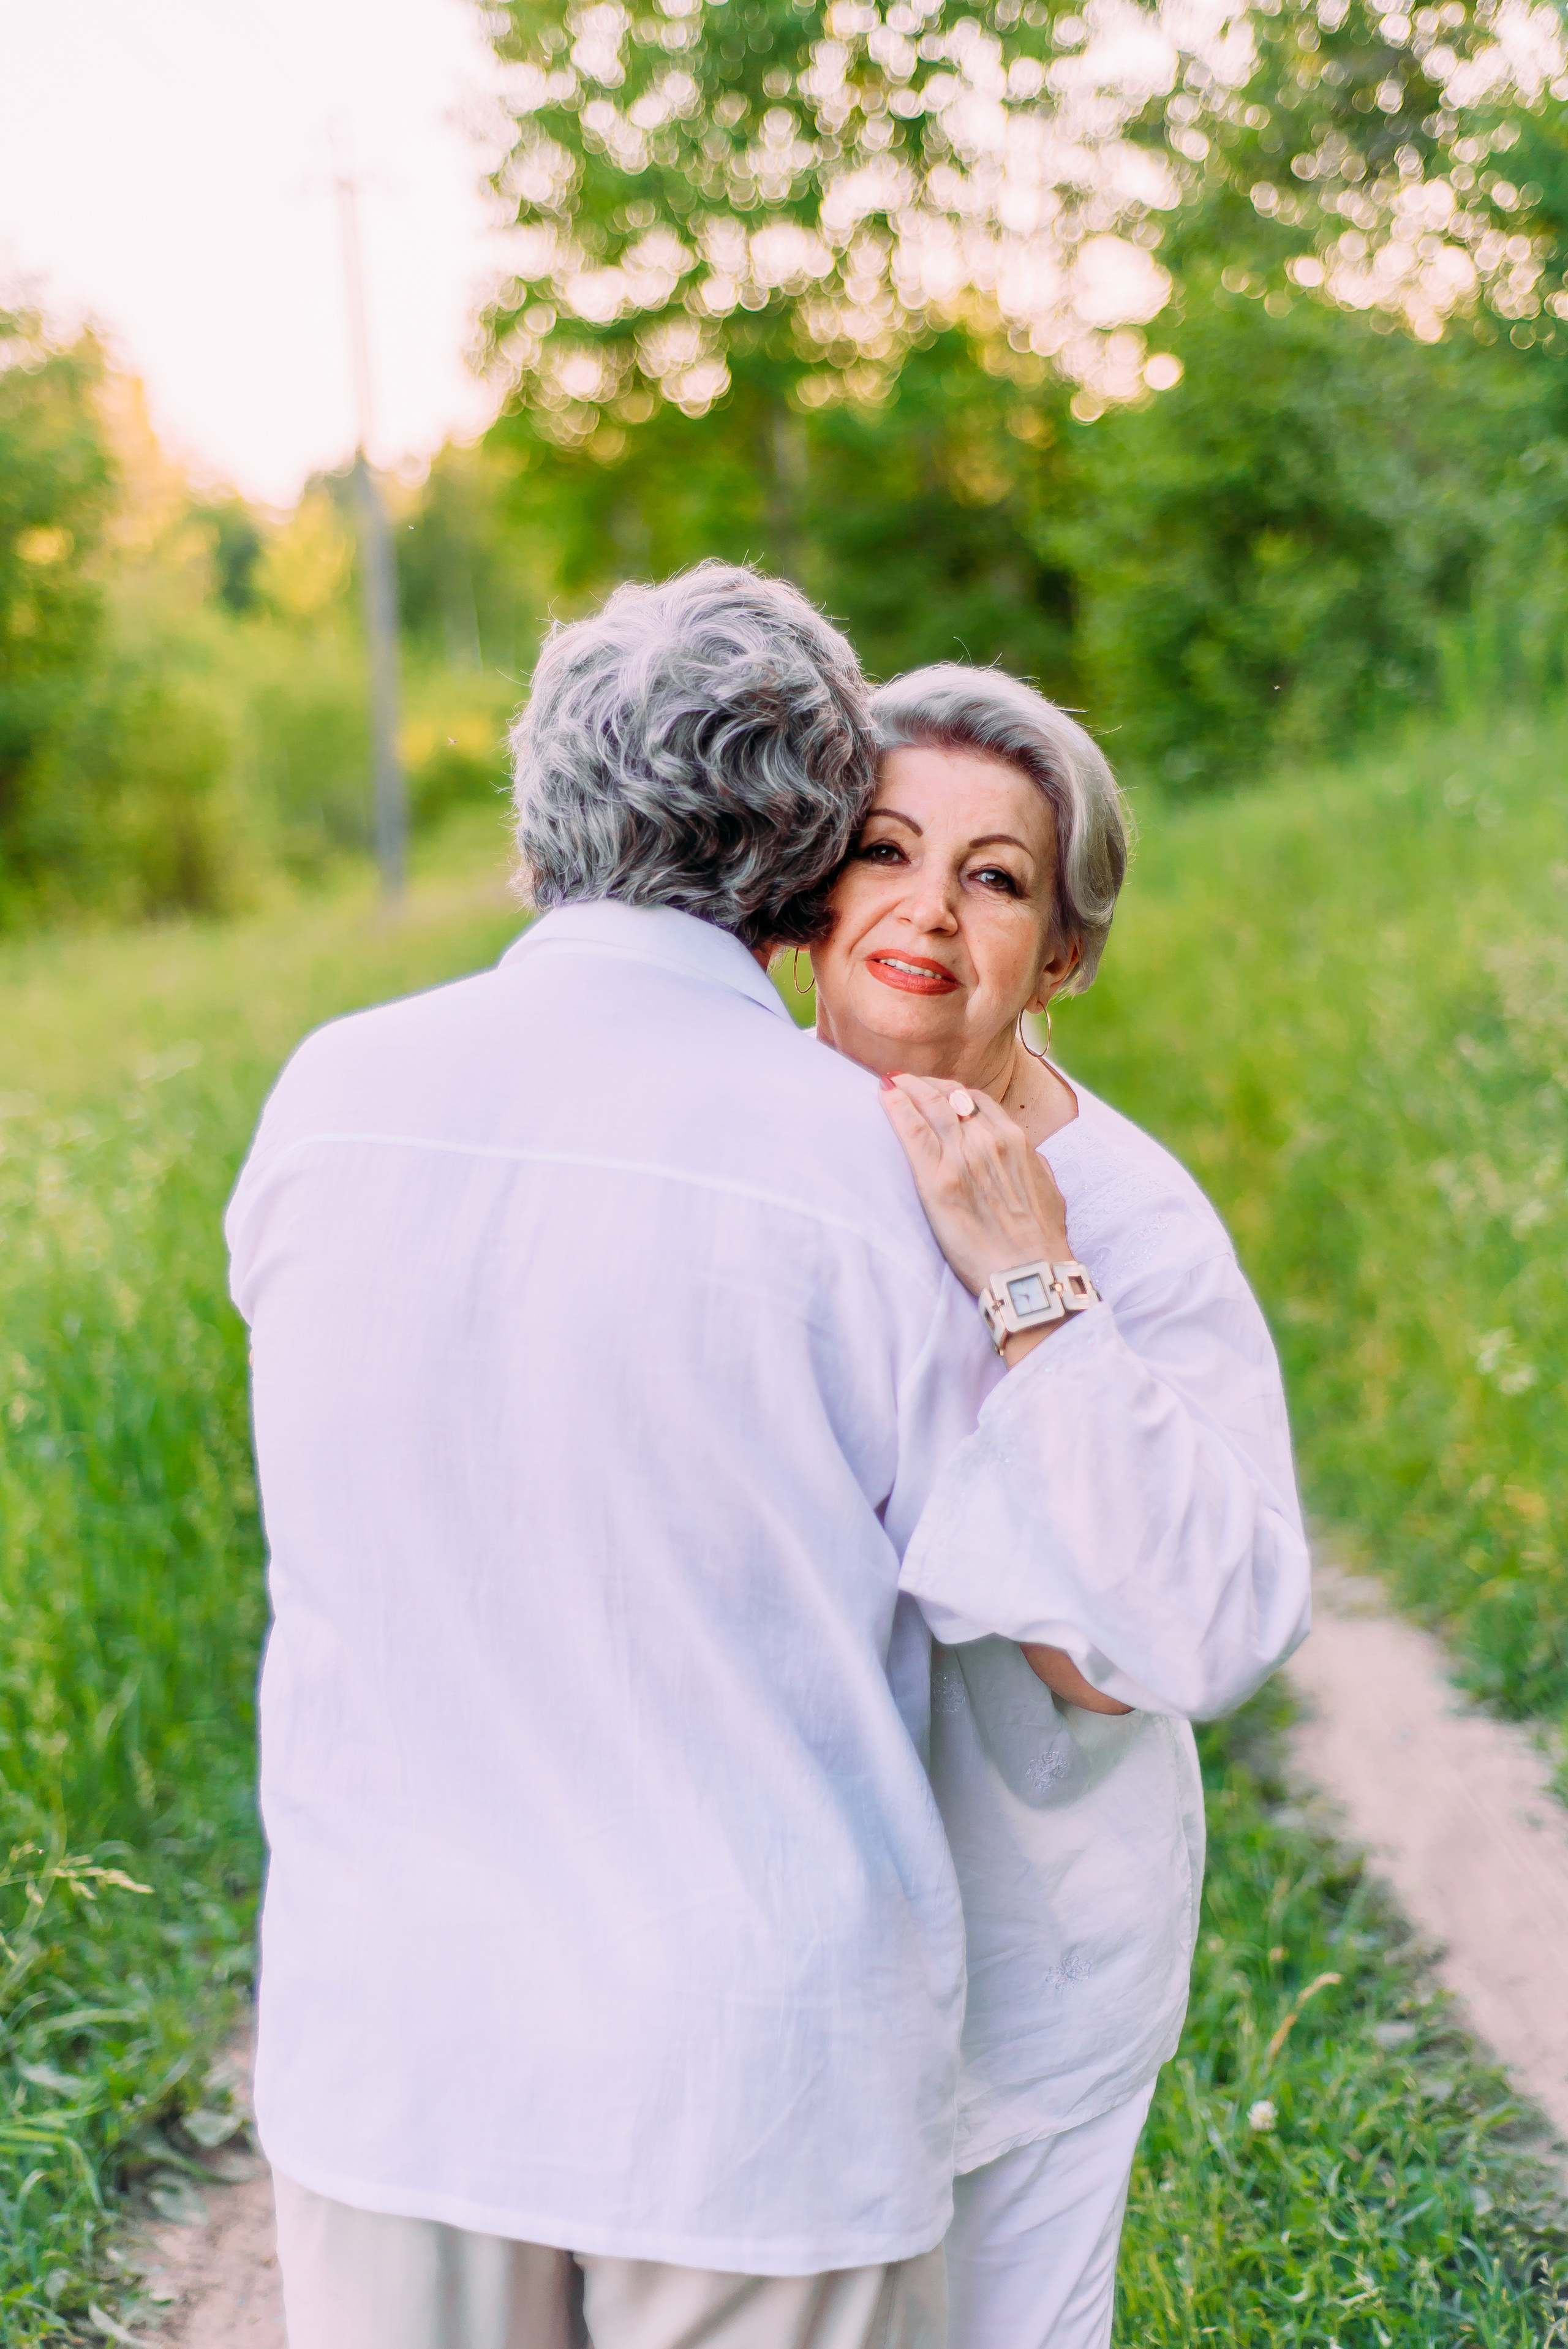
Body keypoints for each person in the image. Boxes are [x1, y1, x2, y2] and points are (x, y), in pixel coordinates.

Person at [228, 565, 1205, 2349]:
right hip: (756, 2077)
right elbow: (1113, 1635)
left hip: (397, 2042)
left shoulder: (324, 1098)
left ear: (536, 829)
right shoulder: (872, 1174)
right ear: (799, 869)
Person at [806, 661, 1311, 2349]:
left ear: (1063, 955)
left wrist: (1031, 1287)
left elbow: (1157, 1646)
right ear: (813, 881)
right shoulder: (748, 1141)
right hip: (783, 1949)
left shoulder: (1130, 1221)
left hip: (1034, 1944)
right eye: (885, 848)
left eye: (996, 877)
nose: (928, 911)